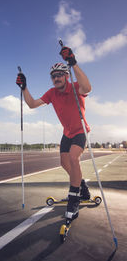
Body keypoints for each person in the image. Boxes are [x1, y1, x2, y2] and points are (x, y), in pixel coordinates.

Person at [16, 46, 91, 223]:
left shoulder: (74, 87)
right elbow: (32, 104)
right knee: (64, 163)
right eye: (53, 76)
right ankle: (82, 187)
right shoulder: (52, 93)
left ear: (66, 76)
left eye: (59, 75)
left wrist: (73, 63)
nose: (56, 78)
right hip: (67, 133)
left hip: (81, 130)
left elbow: (87, 87)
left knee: (73, 158)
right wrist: (24, 87)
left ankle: (73, 200)